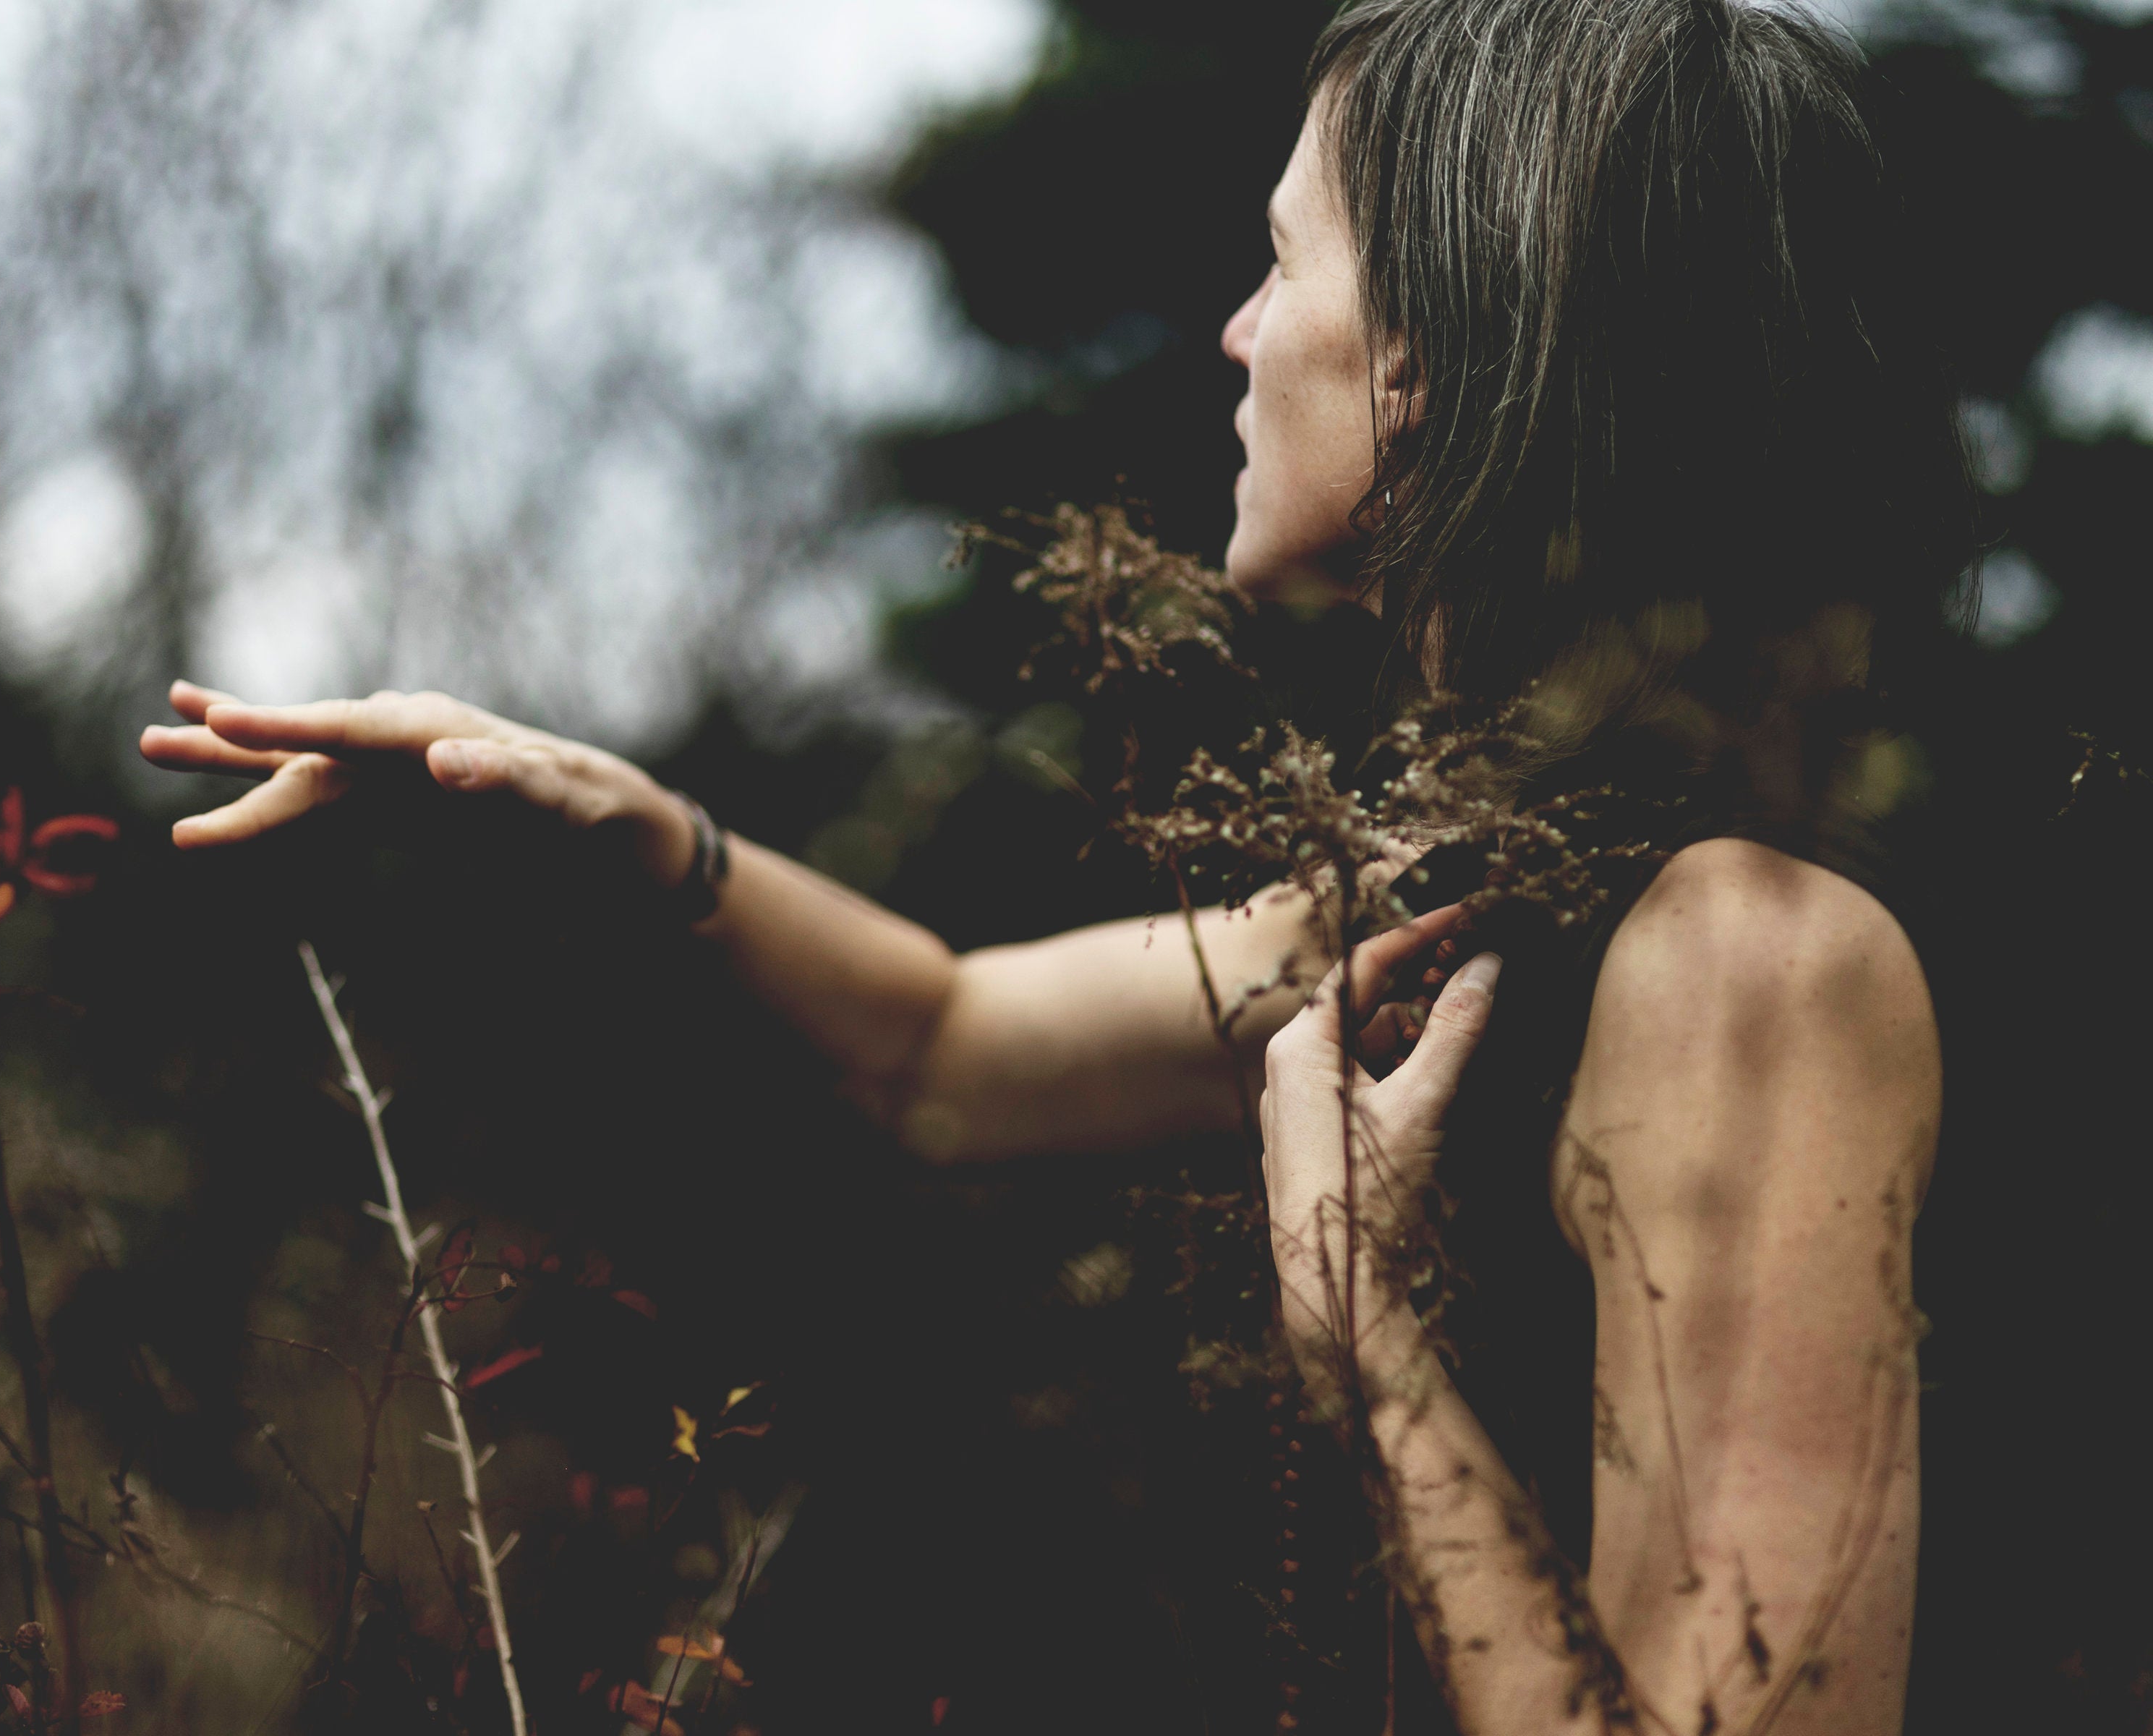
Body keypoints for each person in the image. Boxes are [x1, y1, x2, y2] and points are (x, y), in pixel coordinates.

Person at [141, 0, 1963, 1728]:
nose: (1237, 336)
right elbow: (942, 1057)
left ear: (1432, 359)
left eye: (1281, 264)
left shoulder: (1752, 960)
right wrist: (610, 812)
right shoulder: (1466, 901)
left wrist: (1368, 1345)